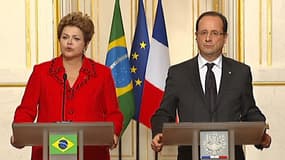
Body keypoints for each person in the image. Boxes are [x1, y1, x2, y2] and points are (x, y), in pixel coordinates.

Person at [151, 11, 271, 160]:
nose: (208, 38)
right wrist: (158, 133)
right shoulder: (178, 73)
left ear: (225, 37)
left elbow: (249, 111)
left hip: (231, 155)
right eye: (203, 33)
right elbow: (164, 112)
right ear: (196, 36)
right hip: (190, 155)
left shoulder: (241, 72)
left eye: (214, 33)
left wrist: (261, 134)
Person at [10, 11, 123, 160]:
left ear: (86, 44)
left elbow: (113, 112)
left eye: (76, 38)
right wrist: (20, 134)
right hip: (48, 152)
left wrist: (113, 133)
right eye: (65, 37)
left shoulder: (102, 74)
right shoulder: (41, 72)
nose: (69, 42)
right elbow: (26, 110)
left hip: (91, 152)